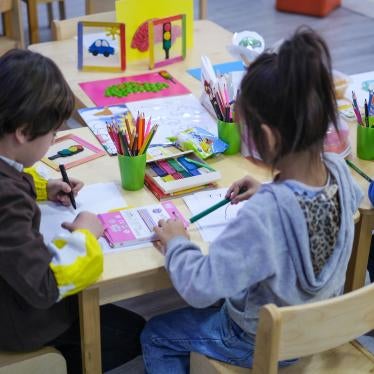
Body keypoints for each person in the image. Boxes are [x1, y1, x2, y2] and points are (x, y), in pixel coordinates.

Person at [140, 27, 363, 372]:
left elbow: (200, 287)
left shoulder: (265, 215)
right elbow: (320, 212)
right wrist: (273, 192)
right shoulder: (338, 173)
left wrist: (177, 243)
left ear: (269, 137)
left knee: (157, 334)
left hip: (257, 340)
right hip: (315, 328)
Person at [0, 49, 145, 374]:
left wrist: (41, 188)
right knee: (133, 335)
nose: (53, 141)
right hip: (18, 323)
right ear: (23, 132)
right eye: (52, 134)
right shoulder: (6, 200)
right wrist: (84, 235)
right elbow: (44, 285)